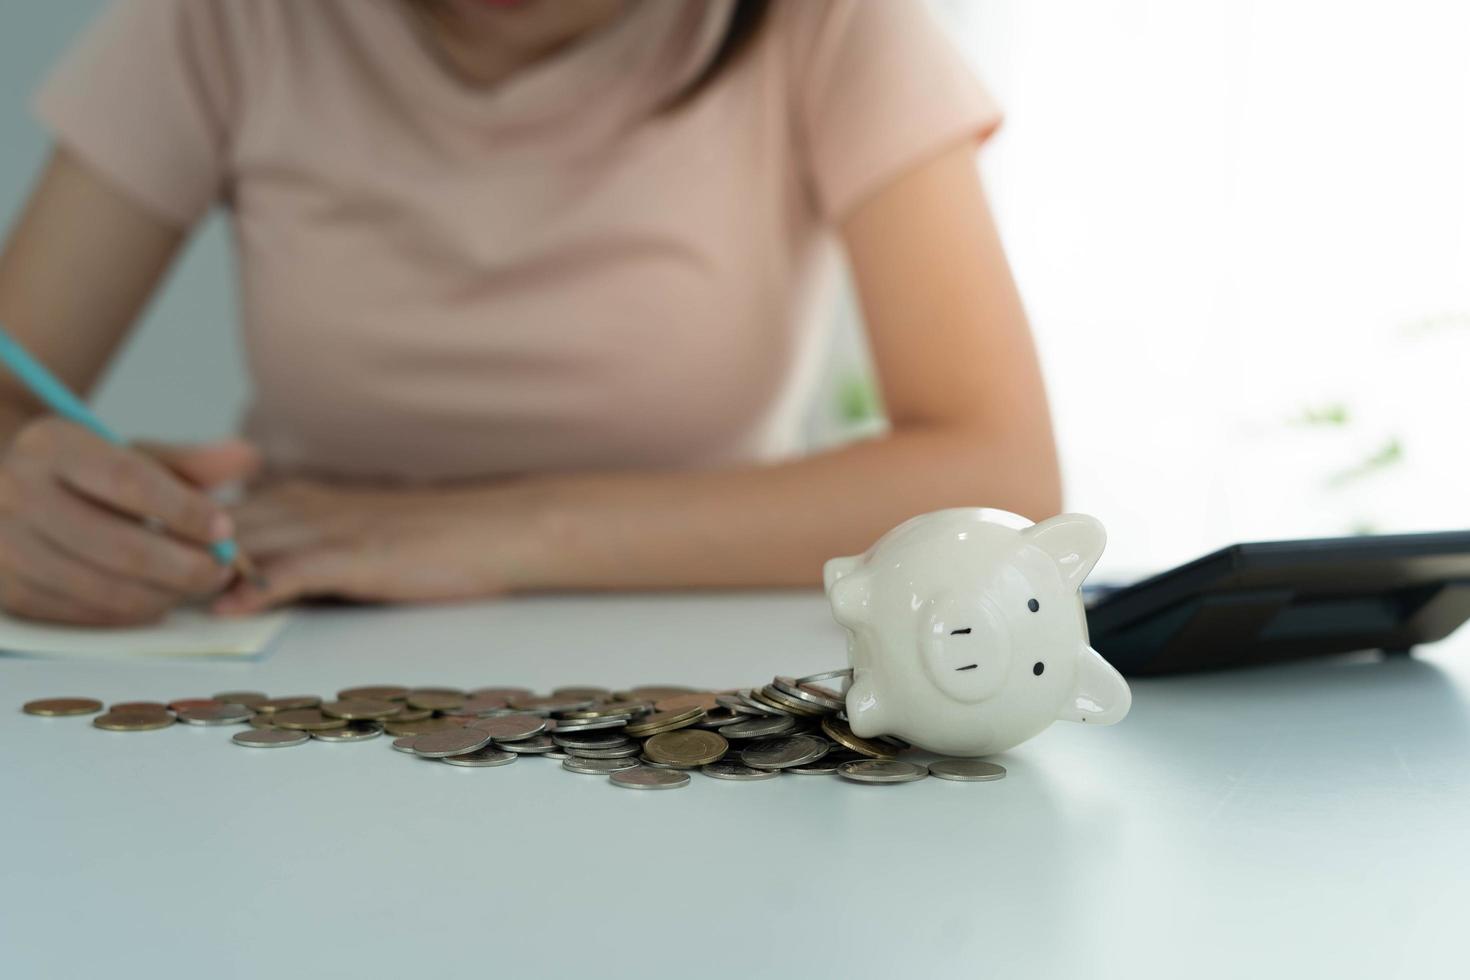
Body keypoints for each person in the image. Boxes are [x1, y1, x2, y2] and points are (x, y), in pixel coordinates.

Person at [0, 0, 1060, 626]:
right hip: (290, 641)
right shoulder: (222, 21)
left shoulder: (829, 23)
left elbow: (998, 474)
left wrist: (492, 530)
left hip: (695, 660)